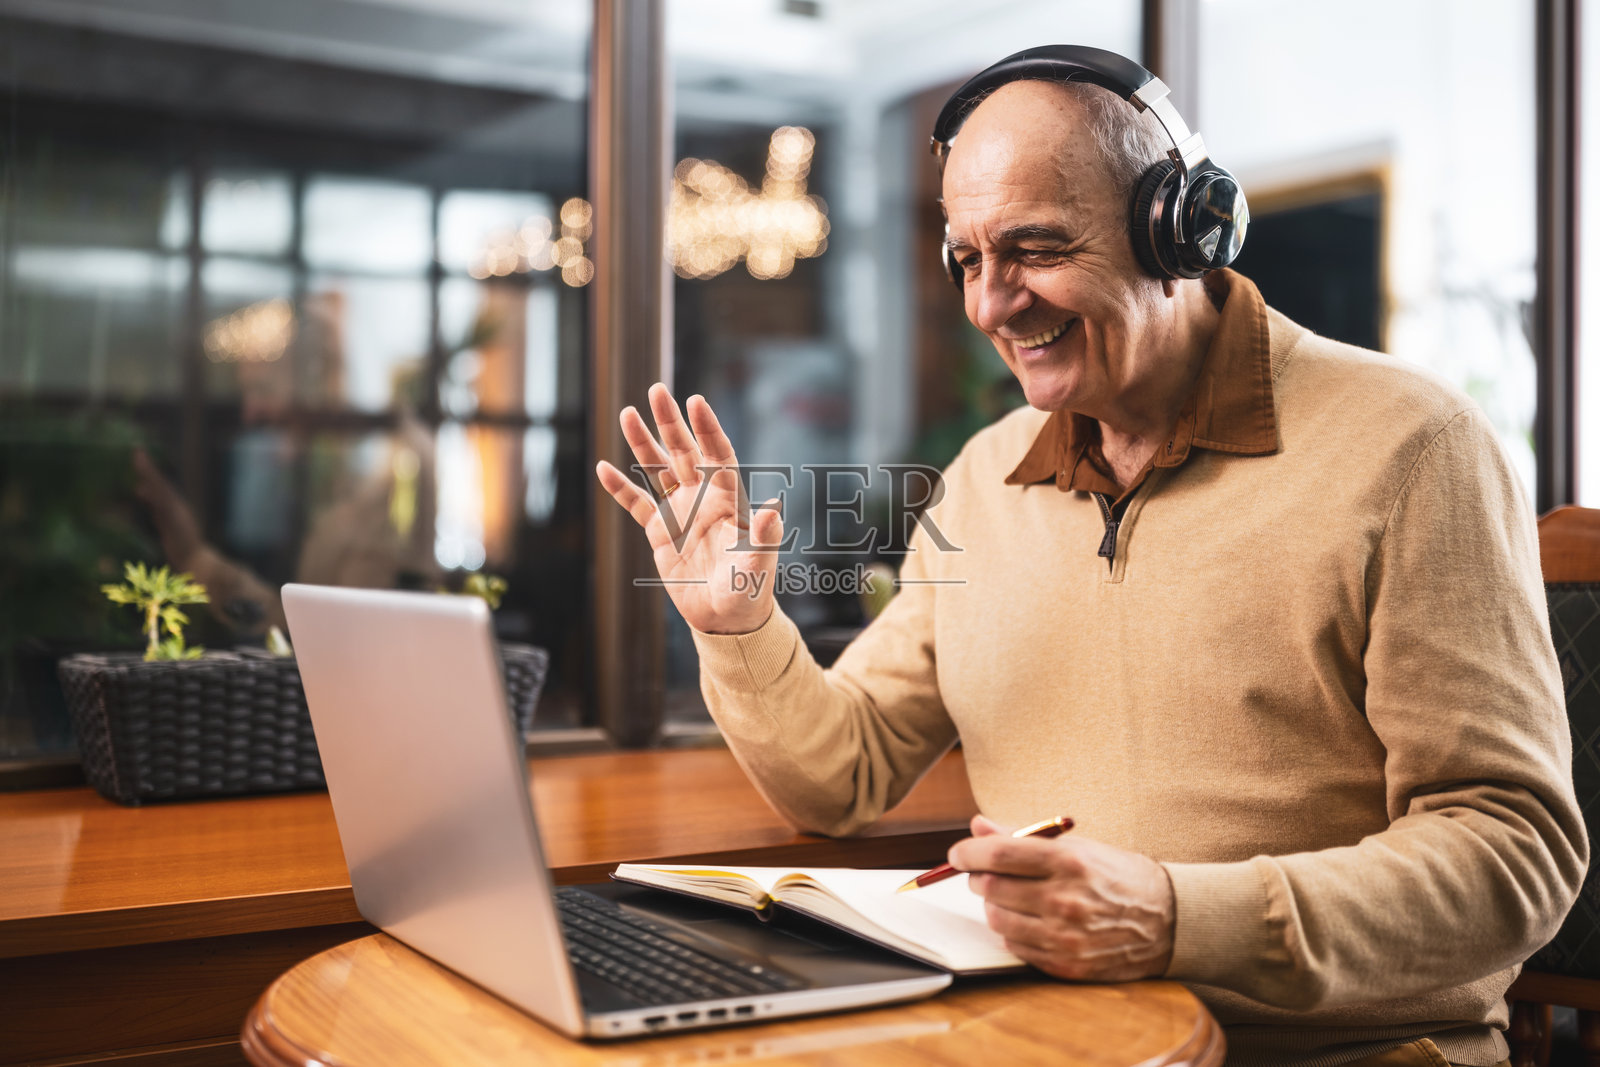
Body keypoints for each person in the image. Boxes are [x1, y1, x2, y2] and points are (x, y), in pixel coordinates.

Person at [594, 47, 1585, 1067]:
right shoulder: (985, 476)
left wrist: (1174, 916)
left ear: (1180, 229)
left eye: (1034, 246)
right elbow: (840, 775)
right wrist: (739, 627)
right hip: (1054, 1038)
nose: (990, 305)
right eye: (967, 259)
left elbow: (1514, 855)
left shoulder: (1413, 445)